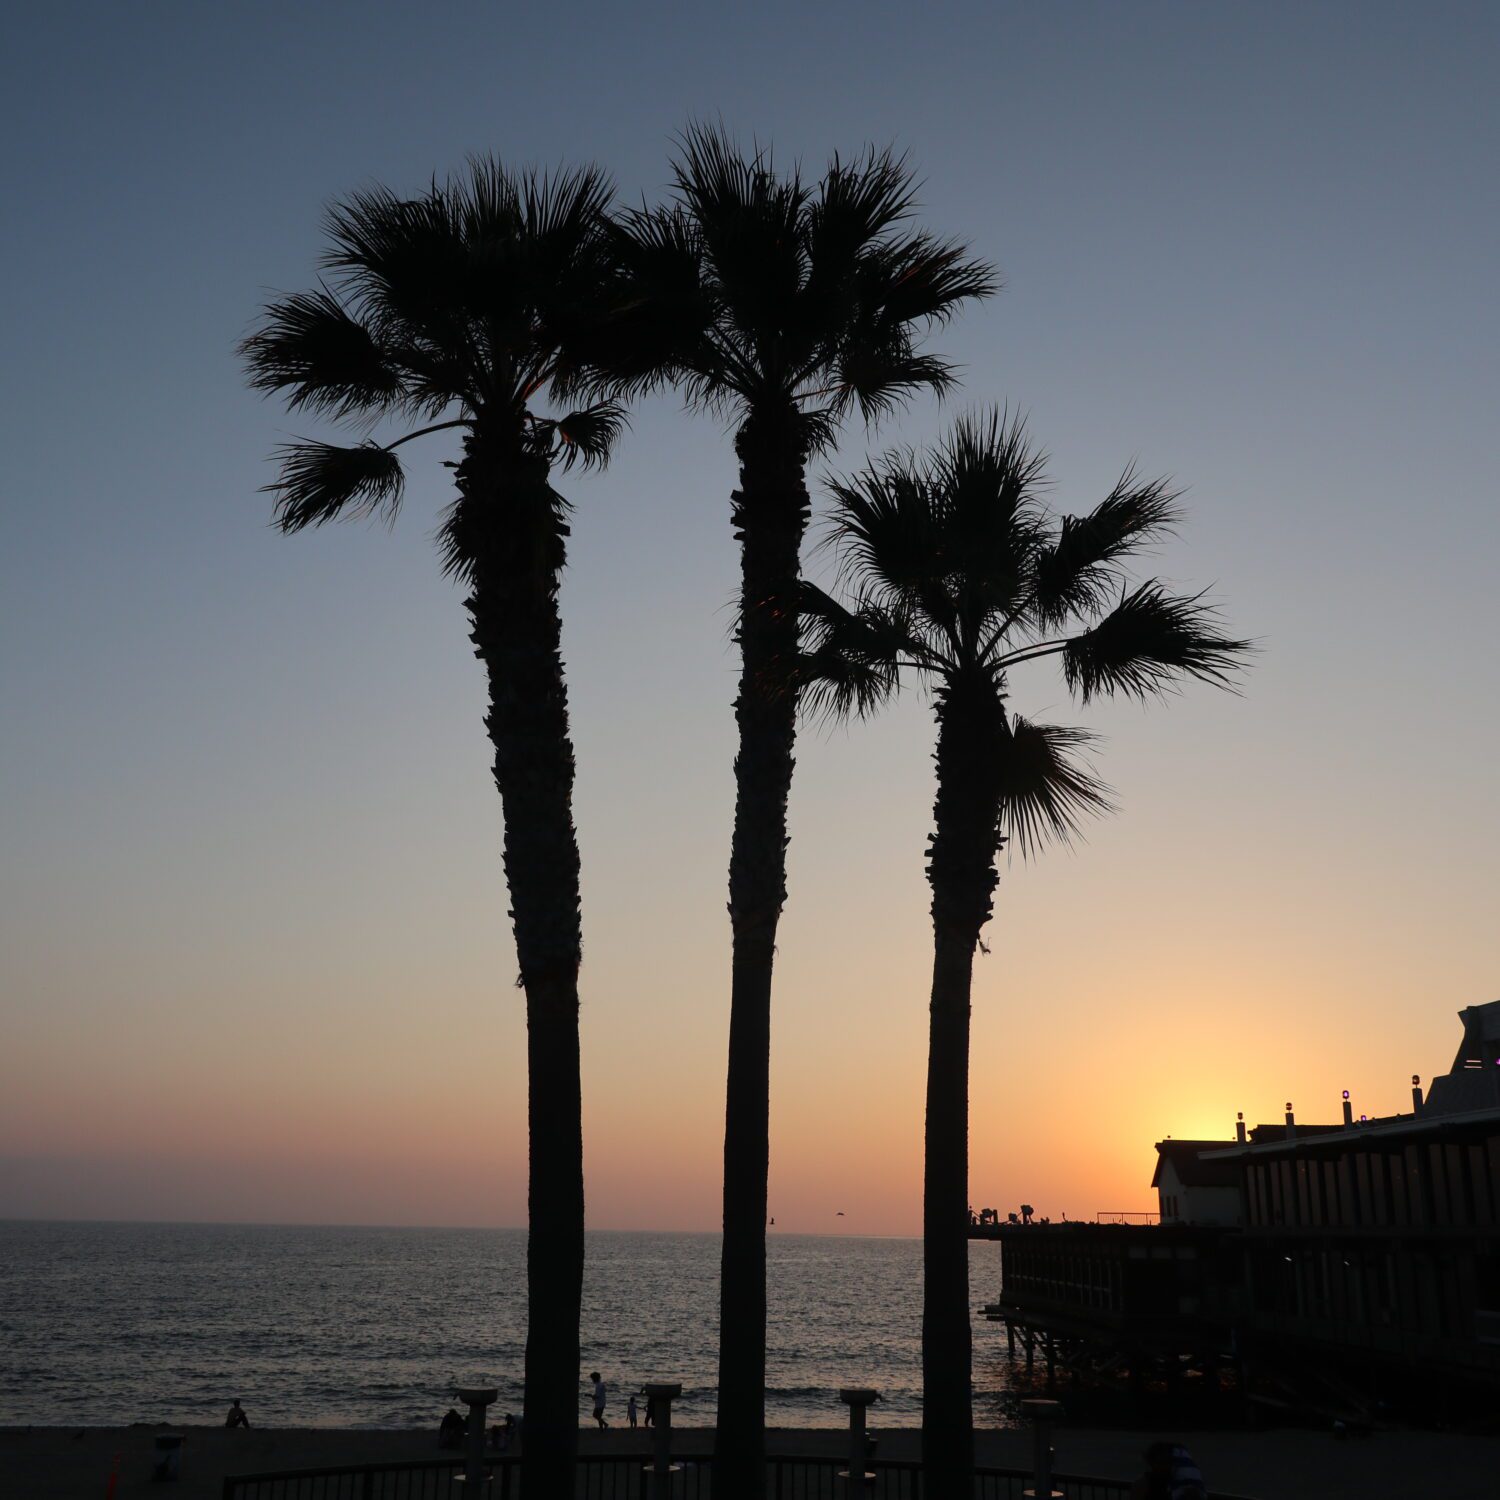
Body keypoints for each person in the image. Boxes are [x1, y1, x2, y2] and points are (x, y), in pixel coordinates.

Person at [1130, 1441, 1206, 1500]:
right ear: (1152, 1463)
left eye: (1168, 1462)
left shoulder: (1179, 1484)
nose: (1165, 1466)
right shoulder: (1142, 1485)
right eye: (1161, 1462)